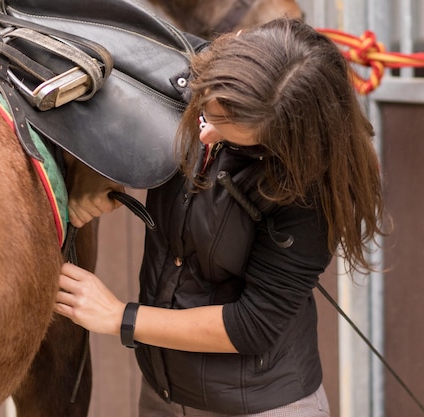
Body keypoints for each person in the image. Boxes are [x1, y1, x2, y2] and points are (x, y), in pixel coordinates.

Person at [56, 17, 388, 416]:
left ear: (287, 139)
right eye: (206, 115)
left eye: (231, 136)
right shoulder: (194, 74)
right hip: (164, 395)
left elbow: (252, 325)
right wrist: (97, 171)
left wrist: (118, 317)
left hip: (261, 406)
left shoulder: (307, 191)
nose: (206, 137)